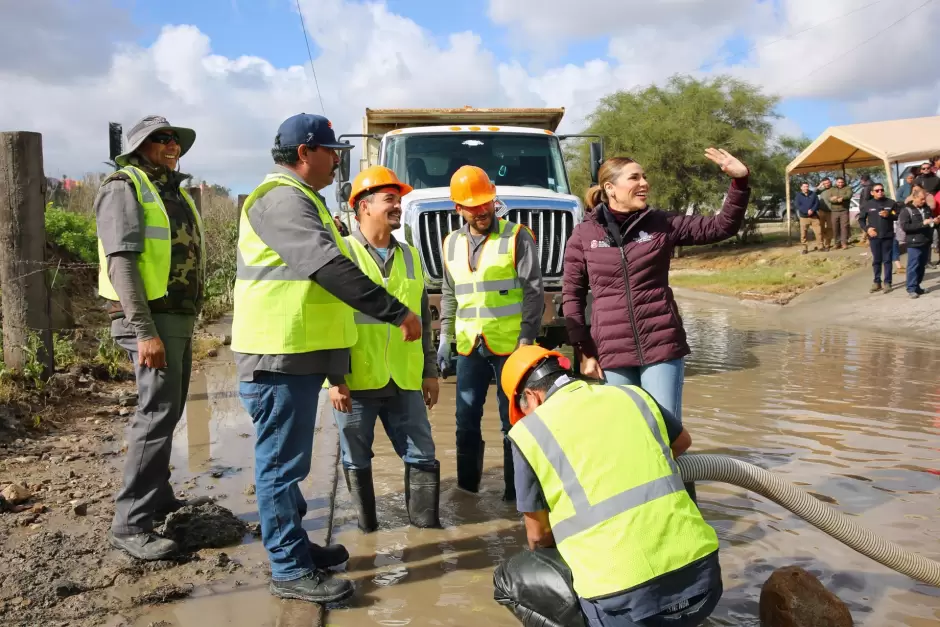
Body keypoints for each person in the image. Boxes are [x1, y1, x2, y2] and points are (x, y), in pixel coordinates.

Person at [231, 113, 422, 604]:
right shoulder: (280, 199)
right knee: (279, 466)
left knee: (287, 464)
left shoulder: (305, 201)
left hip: (295, 354)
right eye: (331, 151)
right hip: (276, 355)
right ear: (304, 153)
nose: (338, 159)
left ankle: (296, 549)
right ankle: (289, 569)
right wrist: (395, 311)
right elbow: (326, 267)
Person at [562, 148, 749, 502]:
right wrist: (585, 351)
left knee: (665, 435)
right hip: (612, 353)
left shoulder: (660, 223)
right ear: (610, 188)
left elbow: (722, 225)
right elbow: (572, 297)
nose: (644, 183)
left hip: (661, 346)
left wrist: (739, 181)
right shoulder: (584, 235)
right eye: (635, 178)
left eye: (644, 176)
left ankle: (682, 511)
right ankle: (638, 510)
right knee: (626, 437)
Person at [493, 345, 722, 627]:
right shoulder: (630, 394)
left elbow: (538, 537)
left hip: (626, 610)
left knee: (508, 580)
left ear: (531, 397)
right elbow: (681, 442)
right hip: (705, 584)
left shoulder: (528, 434)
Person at [94, 115, 210, 560]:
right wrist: (144, 331)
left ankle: (157, 498)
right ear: (141, 145)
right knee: (156, 413)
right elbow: (121, 263)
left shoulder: (173, 190)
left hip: (175, 317)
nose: (170, 145)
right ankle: (130, 524)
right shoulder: (124, 186)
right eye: (160, 139)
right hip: (150, 320)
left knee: (170, 410)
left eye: (173, 139)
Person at [327, 165, 441, 532]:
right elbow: (327, 322)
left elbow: (422, 317)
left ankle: (427, 535)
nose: (399, 207)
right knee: (356, 458)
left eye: (399, 200)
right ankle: (368, 532)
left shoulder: (411, 256)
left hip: (404, 379)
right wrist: (333, 379)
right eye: (390, 199)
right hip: (356, 380)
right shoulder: (340, 254)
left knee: (423, 455)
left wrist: (429, 372)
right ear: (363, 206)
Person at [437, 165, 544, 501]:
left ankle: (517, 495)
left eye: (486, 202)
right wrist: (444, 338)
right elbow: (450, 293)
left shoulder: (516, 236)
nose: (482, 210)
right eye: (473, 205)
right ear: (458, 208)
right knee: (465, 419)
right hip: (470, 347)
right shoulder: (450, 243)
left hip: (512, 345)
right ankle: (468, 490)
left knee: (512, 420)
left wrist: (526, 340)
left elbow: (533, 291)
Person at [857, 183, 900, 293]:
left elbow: (898, 215)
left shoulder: (891, 203)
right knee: (876, 260)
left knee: (887, 260)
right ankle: (877, 282)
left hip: (887, 235)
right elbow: (861, 220)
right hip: (874, 236)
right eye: (877, 190)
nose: (880, 192)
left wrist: (889, 215)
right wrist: (868, 229)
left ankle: (887, 283)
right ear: (872, 193)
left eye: (881, 189)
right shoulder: (867, 204)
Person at [898, 188, 936, 299]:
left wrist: (934, 221)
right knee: (913, 266)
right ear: (914, 197)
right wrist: (922, 224)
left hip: (926, 241)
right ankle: (911, 288)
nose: (924, 201)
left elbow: (930, 221)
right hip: (914, 242)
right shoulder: (906, 210)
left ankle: (917, 286)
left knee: (921, 266)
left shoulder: (927, 208)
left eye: (925, 199)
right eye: (921, 199)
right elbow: (905, 227)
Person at [794, 181, 821, 254]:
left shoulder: (813, 194)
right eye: (804, 187)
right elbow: (797, 205)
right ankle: (804, 248)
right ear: (801, 188)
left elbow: (817, 203)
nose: (806, 188)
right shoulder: (798, 195)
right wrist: (806, 211)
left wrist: (812, 210)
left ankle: (820, 246)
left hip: (814, 216)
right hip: (804, 217)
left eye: (807, 186)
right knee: (803, 234)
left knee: (818, 232)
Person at [828, 177, 853, 248]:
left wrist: (840, 198)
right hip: (834, 211)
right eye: (839, 182)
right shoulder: (832, 189)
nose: (840, 184)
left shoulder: (848, 188)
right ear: (836, 182)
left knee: (844, 227)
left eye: (842, 182)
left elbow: (848, 196)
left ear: (844, 182)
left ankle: (844, 243)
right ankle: (837, 243)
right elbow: (830, 199)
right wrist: (837, 199)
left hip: (844, 210)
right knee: (835, 227)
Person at [815, 177, 833, 250]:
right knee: (820, 228)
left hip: (831, 211)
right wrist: (820, 185)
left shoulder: (834, 188)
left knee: (830, 228)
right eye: (825, 183)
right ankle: (820, 244)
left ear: (830, 182)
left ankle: (827, 244)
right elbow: (814, 192)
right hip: (821, 211)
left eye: (828, 183)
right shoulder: (821, 189)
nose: (827, 184)